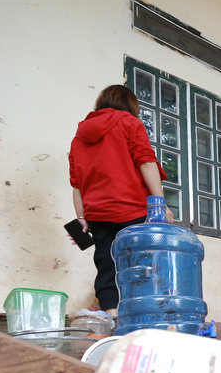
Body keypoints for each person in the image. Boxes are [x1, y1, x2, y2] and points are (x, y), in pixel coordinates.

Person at [68, 84, 169, 316]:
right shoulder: (129, 123)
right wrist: (158, 205)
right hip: (132, 209)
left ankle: (113, 319)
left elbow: (76, 184)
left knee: (106, 268)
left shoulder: (78, 138)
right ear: (131, 105)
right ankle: (146, 318)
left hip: (98, 216)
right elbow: (145, 162)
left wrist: (81, 218)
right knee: (145, 266)